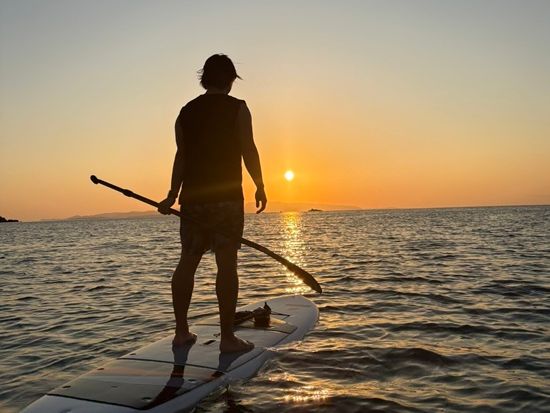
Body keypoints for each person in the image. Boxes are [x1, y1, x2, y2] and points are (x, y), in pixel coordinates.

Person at [158, 54, 267, 353]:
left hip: (193, 200)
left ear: (205, 79)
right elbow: (248, 149)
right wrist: (260, 185)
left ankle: (181, 333)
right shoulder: (238, 108)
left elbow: (181, 156)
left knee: (188, 260)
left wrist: (172, 194)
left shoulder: (185, 112)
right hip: (227, 200)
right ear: (230, 80)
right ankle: (228, 339)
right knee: (226, 264)